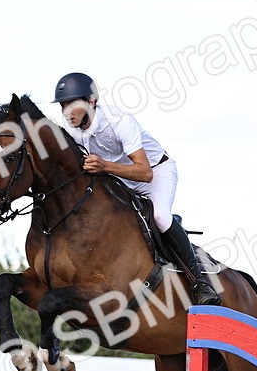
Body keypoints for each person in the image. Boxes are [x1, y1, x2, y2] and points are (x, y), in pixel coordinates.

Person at [51, 71, 221, 306]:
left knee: (160, 217)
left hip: (155, 172)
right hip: (117, 177)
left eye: (72, 104)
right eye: (63, 106)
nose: (66, 112)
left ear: (91, 102)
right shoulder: (71, 129)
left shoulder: (119, 121)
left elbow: (145, 172)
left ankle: (199, 281)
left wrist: (105, 166)